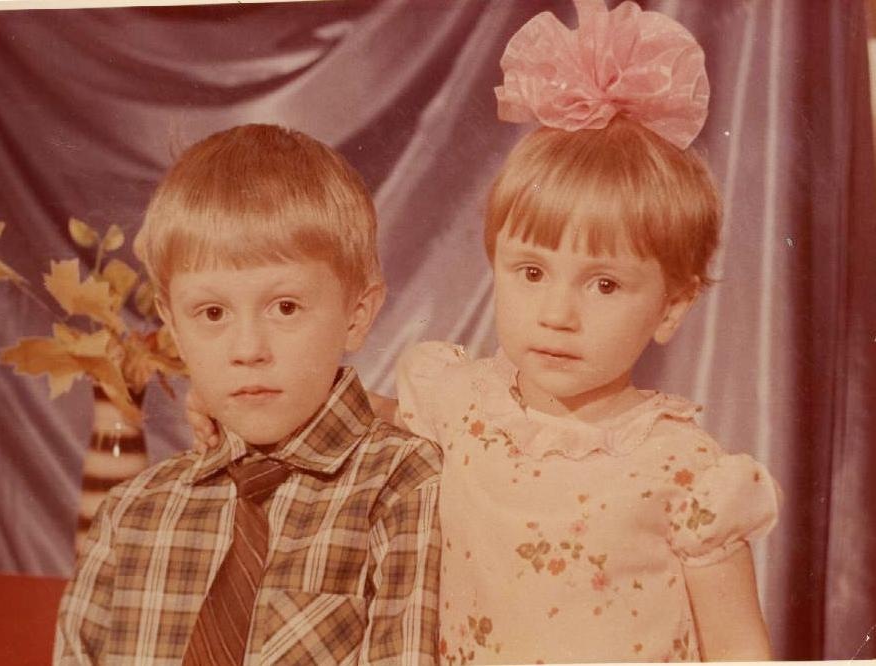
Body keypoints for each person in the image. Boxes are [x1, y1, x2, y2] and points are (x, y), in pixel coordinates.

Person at [189, 1, 781, 662]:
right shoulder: (461, 405)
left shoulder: (686, 471)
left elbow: (739, 647)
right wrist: (234, 401)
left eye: (604, 284)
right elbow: (333, 412)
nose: (558, 313)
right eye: (532, 271)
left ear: (671, 306)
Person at [54, 123, 442, 665]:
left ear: (357, 314)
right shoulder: (130, 514)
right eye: (212, 313)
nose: (248, 349)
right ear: (172, 323)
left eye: (285, 307)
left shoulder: (402, 486)